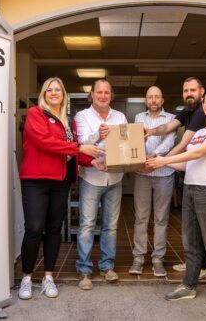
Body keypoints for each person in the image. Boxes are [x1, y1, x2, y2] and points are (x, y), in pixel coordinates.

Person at [17, 77, 103, 300]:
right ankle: (26, 277)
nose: (54, 93)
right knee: (35, 228)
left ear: (63, 94)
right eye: (49, 90)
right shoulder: (36, 114)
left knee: (54, 229)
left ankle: (48, 276)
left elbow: (71, 153)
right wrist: (79, 146)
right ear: (44, 94)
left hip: (60, 181)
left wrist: (91, 161)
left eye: (58, 90)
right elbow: (45, 142)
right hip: (35, 179)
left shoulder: (68, 121)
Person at [146, 89, 206, 304]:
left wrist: (163, 160)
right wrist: (153, 164)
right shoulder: (201, 130)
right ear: (203, 105)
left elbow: (198, 153)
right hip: (190, 189)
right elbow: (187, 163)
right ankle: (189, 284)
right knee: (191, 242)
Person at [145, 76, 206, 280]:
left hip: (203, 176)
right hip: (190, 173)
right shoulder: (188, 111)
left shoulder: (200, 113)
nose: (188, 94)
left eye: (192, 90)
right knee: (191, 224)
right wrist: (150, 131)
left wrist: (161, 161)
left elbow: (183, 144)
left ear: (202, 92)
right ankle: (194, 264)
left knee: (202, 227)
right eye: (185, 90)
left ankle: (203, 268)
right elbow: (167, 127)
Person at [74, 79, 128, 290]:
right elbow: (81, 144)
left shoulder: (120, 116)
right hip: (91, 177)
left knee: (111, 226)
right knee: (87, 225)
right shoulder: (82, 116)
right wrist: (99, 135)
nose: (103, 96)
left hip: (115, 178)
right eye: (99, 92)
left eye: (107, 92)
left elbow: (125, 143)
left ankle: (107, 267)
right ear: (92, 94)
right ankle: (85, 270)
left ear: (111, 95)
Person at [129, 86, 176, 277]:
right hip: (142, 174)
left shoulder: (172, 119)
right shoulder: (139, 118)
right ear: (146, 100)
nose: (154, 100)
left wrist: (153, 157)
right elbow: (134, 142)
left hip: (164, 173)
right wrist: (140, 161)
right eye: (150, 97)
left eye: (157, 97)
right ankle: (138, 259)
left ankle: (158, 260)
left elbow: (170, 141)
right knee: (140, 218)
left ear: (162, 100)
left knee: (161, 219)